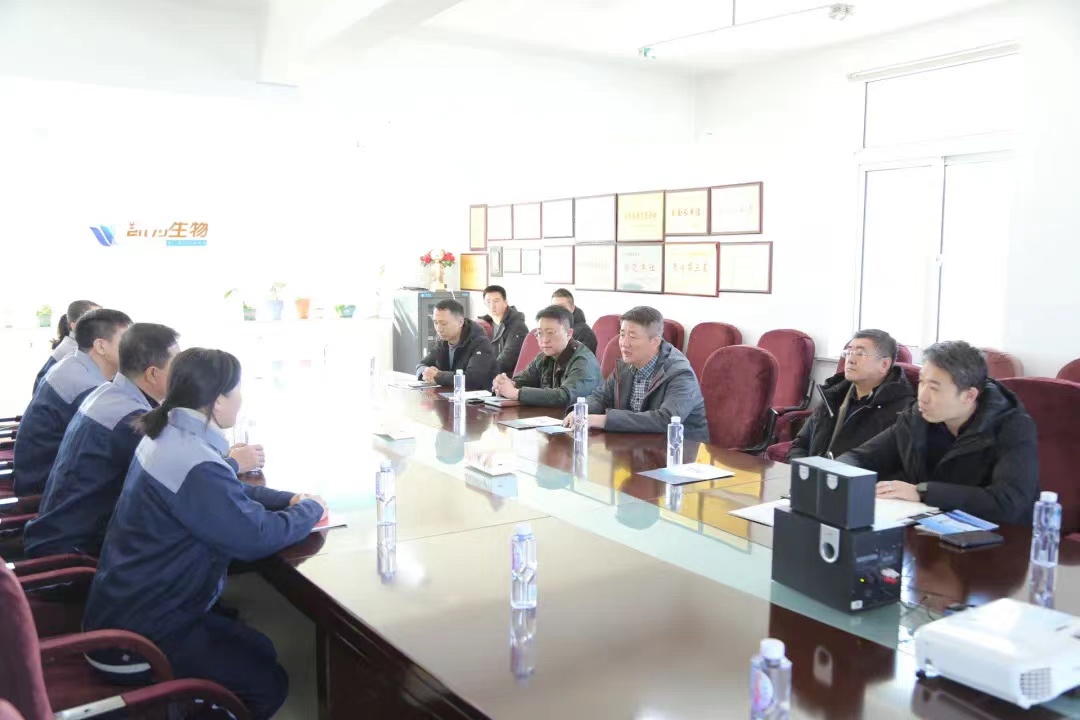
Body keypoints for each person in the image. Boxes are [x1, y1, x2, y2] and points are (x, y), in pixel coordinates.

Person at [82, 348, 327, 720]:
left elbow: (226, 489)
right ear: (218, 401)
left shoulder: (170, 432)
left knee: (260, 648)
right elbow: (255, 536)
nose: (242, 398)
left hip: (133, 611)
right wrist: (309, 511)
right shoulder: (191, 458)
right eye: (237, 390)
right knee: (267, 685)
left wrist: (289, 499)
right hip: (138, 640)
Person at [24, 324, 261, 558]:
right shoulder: (131, 419)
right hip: (79, 549)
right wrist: (232, 464)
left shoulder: (108, 394)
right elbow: (186, 479)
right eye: (177, 365)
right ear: (152, 374)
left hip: (66, 529)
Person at [837, 341, 1039, 525]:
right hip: (930, 528)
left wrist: (922, 492)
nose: (922, 397)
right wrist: (836, 475)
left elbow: (1008, 502)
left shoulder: (1012, 426)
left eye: (934, 388)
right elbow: (861, 457)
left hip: (999, 539)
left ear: (969, 396)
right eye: (922, 382)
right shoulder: (917, 416)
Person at [13, 308, 131, 496]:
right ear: (100, 346)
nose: (134, 348)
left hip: (34, 471)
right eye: (127, 341)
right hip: (42, 484)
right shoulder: (88, 388)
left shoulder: (73, 364)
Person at [562, 306, 708, 441]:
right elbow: (602, 397)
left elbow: (666, 420)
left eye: (632, 336)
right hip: (636, 445)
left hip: (679, 450)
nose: (624, 343)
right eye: (622, 335)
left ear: (655, 341)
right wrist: (581, 411)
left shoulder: (680, 373)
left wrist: (603, 420)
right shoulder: (625, 365)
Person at [787, 329, 914, 461]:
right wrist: (803, 469)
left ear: (884, 364)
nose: (850, 360)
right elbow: (800, 444)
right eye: (848, 352)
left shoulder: (902, 410)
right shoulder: (834, 395)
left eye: (860, 353)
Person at [492, 305, 602, 407]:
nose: (544, 340)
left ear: (569, 334)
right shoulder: (543, 357)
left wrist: (516, 393)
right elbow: (523, 380)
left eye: (550, 333)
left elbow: (565, 396)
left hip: (581, 419)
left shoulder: (584, 361)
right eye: (540, 333)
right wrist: (504, 384)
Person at [417, 299, 498, 391]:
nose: (439, 328)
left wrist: (438, 376)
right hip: (450, 395)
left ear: (460, 322)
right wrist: (427, 372)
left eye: (444, 323)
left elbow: (473, 379)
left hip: (476, 398)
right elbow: (421, 365)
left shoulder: (480, 343)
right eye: (436, 323)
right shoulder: (442, 341)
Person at [32, 299, 100, 395]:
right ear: (75, 326)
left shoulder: (71, 345)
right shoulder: (74, 351)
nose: (104, 325)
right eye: (96, 320)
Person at [478, 285, 529, 376]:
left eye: (496, 301)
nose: (492, 306)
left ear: (505, 303)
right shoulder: (484, 324)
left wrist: (483, 371)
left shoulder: (517, 327)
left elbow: (506, 360)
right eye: (488, 302)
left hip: (509, 377)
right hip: (492, 373)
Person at [550, 288, 597, 355]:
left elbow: (582, 360)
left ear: (572, 309)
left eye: (562, 307)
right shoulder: (551, 328)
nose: (557, 311)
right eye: (554, 307)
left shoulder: (584, 333)